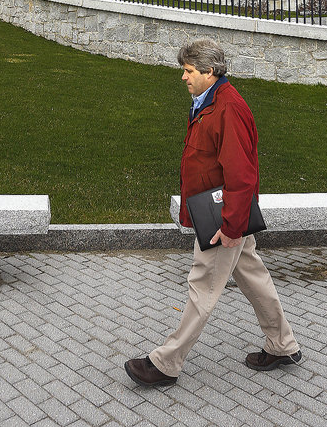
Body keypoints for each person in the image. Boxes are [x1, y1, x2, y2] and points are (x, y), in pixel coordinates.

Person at [125, 38, 302, 386]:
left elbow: (241, 174)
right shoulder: (207, 101)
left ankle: (165, 363)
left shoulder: (228, 108)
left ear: (210, 72)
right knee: (252, 275)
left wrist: (233, 227)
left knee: (202, 285)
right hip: (224, 212)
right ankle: (283, 345)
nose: (183, 77)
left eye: (189, 71)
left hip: (223, 219)